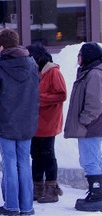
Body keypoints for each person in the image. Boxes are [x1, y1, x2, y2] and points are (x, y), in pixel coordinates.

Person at [0, 28, 39, 215]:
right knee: (24, 162)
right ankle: (27, 207)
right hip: (27, 120)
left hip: (5, 120)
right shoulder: (32, 63)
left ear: (1, 45)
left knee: (10, 162)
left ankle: (12, 206)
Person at [64, 42, 102, 212]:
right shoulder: (90, 71)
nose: (77, 57)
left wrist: (84, 121)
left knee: (90, 160)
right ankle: (96, 192)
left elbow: (95, 103)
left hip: (91, 127)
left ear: (87, 56)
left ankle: (97, 194)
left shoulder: (94, 74)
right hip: (92, 126)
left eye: (80, 54)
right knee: (93, 159)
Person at [26, 43, 66, 203]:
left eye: (30, 57)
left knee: (48, 155)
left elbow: (61, 94)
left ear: (38, 57)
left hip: (48, 121)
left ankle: (52, 190)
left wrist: (38, 99)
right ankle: (38, 189)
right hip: (35, 122)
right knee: (36, 156)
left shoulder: (53, 72)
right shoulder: (34, 72)